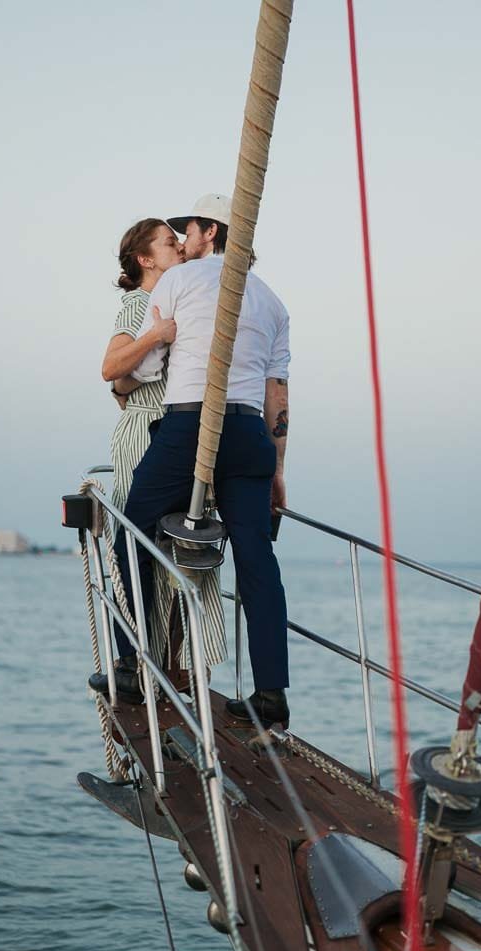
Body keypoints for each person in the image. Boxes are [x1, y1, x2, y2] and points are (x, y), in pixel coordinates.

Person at [112, 194, 290, 728]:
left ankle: (130, 664)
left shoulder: (177, 281)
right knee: (257, 559)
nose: (183, 241)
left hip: (190, 423)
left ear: (209, 232)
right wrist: (277, 468)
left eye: (186, 230)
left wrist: (123, 385)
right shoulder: (273, 302)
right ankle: (271, 695)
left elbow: (152, 364)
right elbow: (276, 396)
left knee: (131, 531)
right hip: (248, 432)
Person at [102, 217, 227, 680]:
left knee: (177, 547)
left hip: (178, 435)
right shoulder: (139, 303)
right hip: (146, 433)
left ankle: (176, 665)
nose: (178, 247)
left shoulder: (179, 295)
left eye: (179, 240)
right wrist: (157, 336)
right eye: (168, 243)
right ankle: (136, 659)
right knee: (137, 545)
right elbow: (112, 369)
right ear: (145, 259)